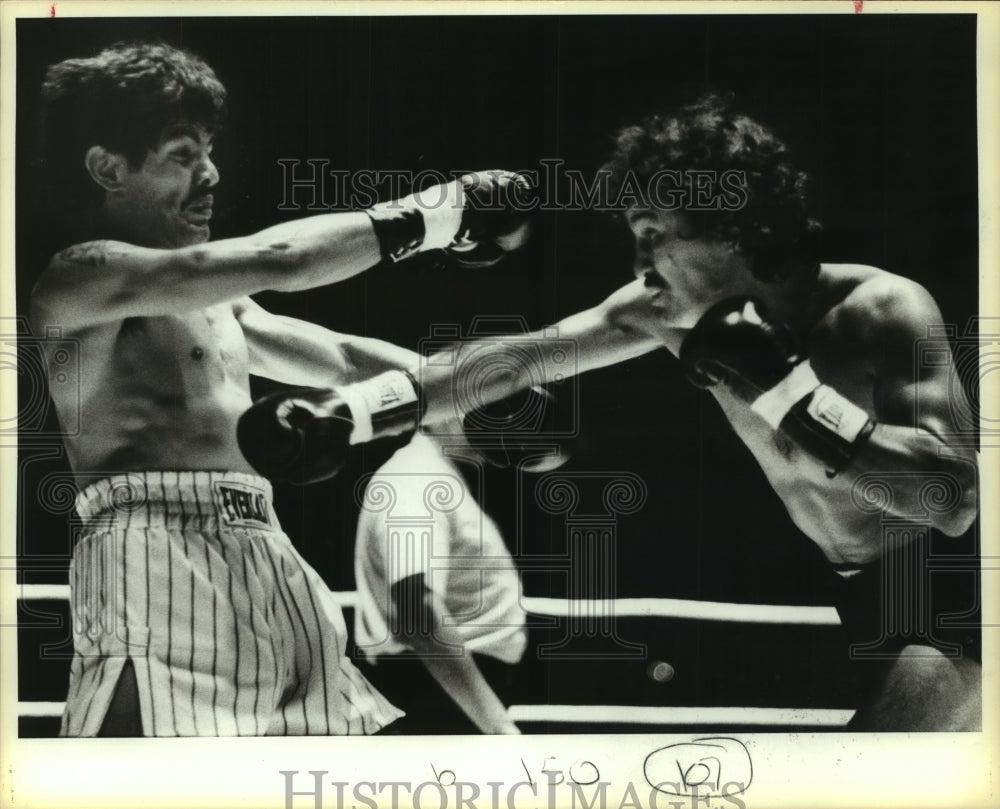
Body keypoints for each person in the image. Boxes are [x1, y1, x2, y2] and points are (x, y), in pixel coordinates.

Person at [242, 94, 981, 731]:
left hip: (952, 585)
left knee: (859, 777)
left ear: (732, 226)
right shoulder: (665, 312)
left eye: (656, 231)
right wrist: (353, 413)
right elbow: (522, 357)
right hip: (855, 589)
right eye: (634, 233)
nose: (639, 260)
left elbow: (952, 501)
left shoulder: (882, 308)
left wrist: (793, 395)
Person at [29, 40, 529, 736]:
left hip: (266, 544)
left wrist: (487, 400)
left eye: (208, 150)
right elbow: (279, 258)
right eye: (182, 154)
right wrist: (438, 214)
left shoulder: (223, 307)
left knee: (314, 776)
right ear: (107, 168)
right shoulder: (76, 281)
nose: (211, 173)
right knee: (134, 778)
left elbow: (351, 359)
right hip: (150, 545)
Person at [353, 428, 529, 734]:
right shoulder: (415, 479)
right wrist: (499, 728)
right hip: (438, 693)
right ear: (443, 406)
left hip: (452, 689)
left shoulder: (435, 474)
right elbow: (419, 613)